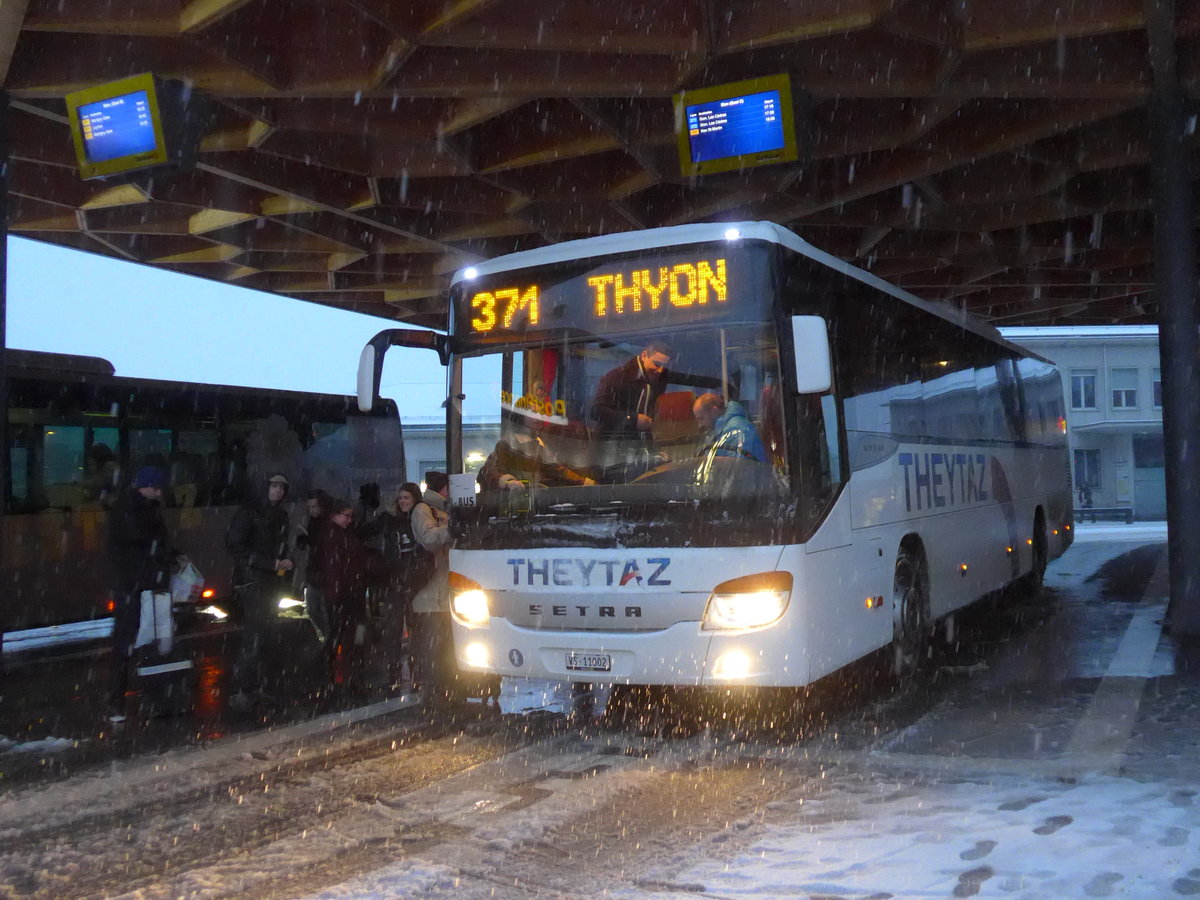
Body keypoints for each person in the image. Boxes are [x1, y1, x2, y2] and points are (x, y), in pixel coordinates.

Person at [105, 465, 175, 723]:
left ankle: (130, 700)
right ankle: (124, 700)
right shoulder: (133, 510)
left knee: (135, 642)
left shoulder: (135, 508)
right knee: (137, 642)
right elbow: (147, 542)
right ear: (144, 486)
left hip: (139, 586)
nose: (159, 493)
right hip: (136, 586)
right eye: (156, 488)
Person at [224, 473, 294, 707]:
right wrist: (269, 563)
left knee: (268, 633)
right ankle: (245, 688)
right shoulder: (249, 512)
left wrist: (284, 562)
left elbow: (279, 545)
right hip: (252, 580)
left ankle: (261, 686)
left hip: (270, 580)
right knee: (256, 633)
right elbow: (235, 546)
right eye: (273, 486)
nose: (278, 491)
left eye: (281, 488)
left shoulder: (280, 514)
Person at [368, 482, 435, 688]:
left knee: (416, 631)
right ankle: (393, 671)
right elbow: (369, 531)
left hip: (416, 583)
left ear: (415, 499)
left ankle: (417, 671)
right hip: (395, 581)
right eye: (401, 498)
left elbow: (426, 550)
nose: (404, 501)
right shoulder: (389, 519)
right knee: (393, 630)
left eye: (407, 497)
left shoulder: (420, 517)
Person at [317, 497, 379, 694]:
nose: (349, 520)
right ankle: (349, 678)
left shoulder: (338, 535)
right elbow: (336, 568)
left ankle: (339, 677)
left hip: (347, 594)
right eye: (346, 516)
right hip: (347, 595)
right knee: (349, 637)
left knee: (344, 637)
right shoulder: (336, 537)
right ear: (335, 515)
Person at [409, 472, 453, 701]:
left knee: (443, 645)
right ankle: (431, 689)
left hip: (445, 593)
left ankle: (444, 688)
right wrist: (452, 530)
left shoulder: (446, 509)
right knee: (432, 645)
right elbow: (428, 539)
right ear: (443, 488)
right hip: (430, 594)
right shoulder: (423, 509)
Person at [591, 340, 672, 440]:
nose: (660, 370)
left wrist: (654, 450)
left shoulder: (657, 380)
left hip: (636, 444)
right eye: (657, 364)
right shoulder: (617, 376)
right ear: (643, 356)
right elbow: (597, 411)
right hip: (610, 444)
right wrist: (632, 419)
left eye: (664, 366)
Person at [692, 393, 768, 464]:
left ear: (714, 411)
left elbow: (738, 469)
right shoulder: (720, 431)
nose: (700, 425)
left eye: (701, 419)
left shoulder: (738, 430)